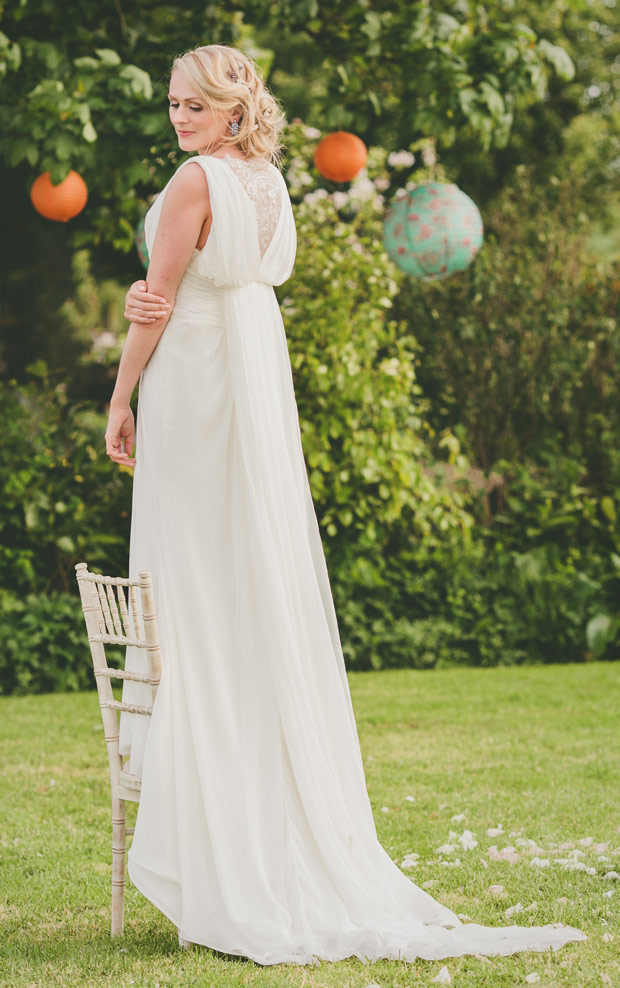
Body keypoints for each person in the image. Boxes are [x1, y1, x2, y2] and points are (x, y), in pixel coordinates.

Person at [104, 43, 588, 966]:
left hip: (200, 389)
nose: (177, 118)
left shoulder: (194, 182)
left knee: (196, 573)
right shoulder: (270, 183)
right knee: (240, 570)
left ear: (229, 107)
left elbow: (156, 303)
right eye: (171, 105)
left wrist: (121, 396)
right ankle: (243, 795)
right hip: (249, 372)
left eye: (192, 104)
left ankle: (213, 806)